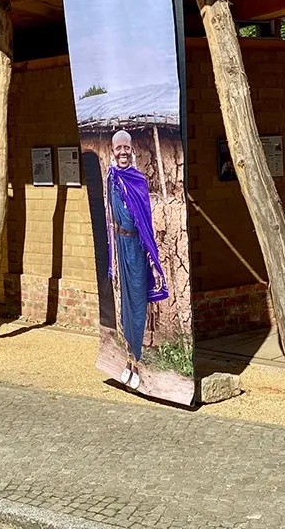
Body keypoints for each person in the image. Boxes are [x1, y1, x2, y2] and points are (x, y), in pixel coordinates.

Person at [105, 129, 168, 390]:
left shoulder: (138, 180)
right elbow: (111, 217)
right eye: (118, 148)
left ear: (132, 151)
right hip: (121, 246)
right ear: (112, 151)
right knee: (126, 304)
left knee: (138, 303)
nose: (122, 152)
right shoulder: (111, 178)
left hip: (137, 249)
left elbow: (146, 223)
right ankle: (129, 358)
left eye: (126, 148)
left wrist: (152, 260)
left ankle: (137, 362)